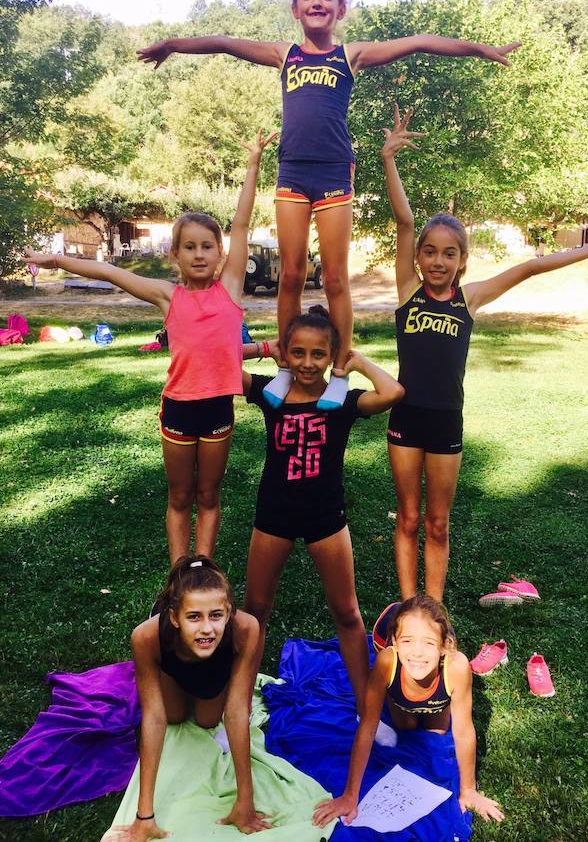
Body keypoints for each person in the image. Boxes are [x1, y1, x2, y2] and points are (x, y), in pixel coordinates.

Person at [137, 0, 520, 412]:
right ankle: (284, 364)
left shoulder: (349, 56)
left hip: (336, 173)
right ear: (295, 7)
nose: (317, 0)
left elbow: (418, 43)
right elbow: (223, 43)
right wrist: (175, 46)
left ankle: (338, 371)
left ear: (341, 7)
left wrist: (478, 48)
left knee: (337, 278)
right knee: (291, 275)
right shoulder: (285, 56)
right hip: (293, 173)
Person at [381, 104, 588, 601]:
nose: (438, 260)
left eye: (449, 252)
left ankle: (433, 610)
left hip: (446, 422)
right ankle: (409, 607)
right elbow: (403, 221)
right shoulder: (405, 292)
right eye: (430, 251)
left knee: (437, 523)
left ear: (462, 260)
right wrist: (389, 160)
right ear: (419, 256)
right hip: (405, 418)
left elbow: (530, 267)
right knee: (409, 517)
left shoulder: (470, 297)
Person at [23, 130, 277, 564]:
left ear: (221, 253)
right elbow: (107, 272)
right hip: (178, 408)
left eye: (207, 246)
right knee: (180, 497)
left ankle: (202, 568)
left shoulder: (231, 289)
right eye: (189, 247)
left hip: (218, 408)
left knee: (209, 495)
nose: (199, 254)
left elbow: (241, 221)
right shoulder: (167, 295)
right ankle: (180, 574)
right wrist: (58, 261)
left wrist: (253, 164)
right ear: (175, 255)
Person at [241, 305, 404, 713]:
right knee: (255, 608)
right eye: (297, 353)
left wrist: (357, 362)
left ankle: (368, 709)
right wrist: (265, 349)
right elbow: (215, 361)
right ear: (287, 355)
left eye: (318, 354)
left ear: (331, 357)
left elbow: (394, 392)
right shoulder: (270, 394)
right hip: (274, 513)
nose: (307, 363)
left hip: (325, 517)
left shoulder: (343, 402)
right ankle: (238, 704)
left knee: (347, 612)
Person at [110, 556, 271, 840]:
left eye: (216, 616)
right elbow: (154, 718)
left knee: (209, 720)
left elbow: (235, 711)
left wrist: (245, 801)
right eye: (194, 616)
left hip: (214, 671)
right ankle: (177, 680)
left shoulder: (246, 629)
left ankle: (198, 689)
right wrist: (144, 816)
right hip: (173, 665)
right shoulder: (145, 637)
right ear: (174, 617)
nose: (207, 628)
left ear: (230, 613)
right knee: (173, 716)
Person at [313, 594, 504, 828]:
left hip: (438, 691)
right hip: (399, 690)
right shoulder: (387, 661)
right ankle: (396, 697)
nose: (417, 652)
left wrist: (468, 790)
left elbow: (463, 731)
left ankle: (427, 702)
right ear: (394, 641)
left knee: (437, 731)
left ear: (444, 647)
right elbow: (368, 726)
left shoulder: (457, 666)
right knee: (407, 726)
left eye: (428, 643)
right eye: (407, 641)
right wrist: (350, 795)